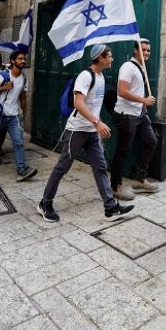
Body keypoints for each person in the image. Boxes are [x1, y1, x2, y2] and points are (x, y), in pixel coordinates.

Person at [37, 45, 134, 223]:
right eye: (109, 56)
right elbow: (78, 103)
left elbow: (94, 105)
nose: (112, 59)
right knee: (62, 167)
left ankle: (110, 208)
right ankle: (45, 203)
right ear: (101, 58)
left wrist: (98, 125)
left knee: (100, 167)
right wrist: (97, 123)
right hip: (77, 130)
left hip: (91, 132)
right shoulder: (85, 76)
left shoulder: (101, 77)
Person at [110, 38, 159, 201]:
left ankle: (139, 180)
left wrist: (143, 109)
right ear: (135, 51)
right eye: (143, 50)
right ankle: (115, 186)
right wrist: (144, 100)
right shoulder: (128, 67)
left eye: (148, 50)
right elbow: (122, 91)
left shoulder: (141, 68)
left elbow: (136, 89)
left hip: (139, 114)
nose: (146, 53)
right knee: (122, 151)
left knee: (151, 142)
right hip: (126, 115)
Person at [0, 50, 37, 181]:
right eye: (20, 59)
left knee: (18, 142)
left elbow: (22, 97)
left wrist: (24, 113)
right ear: (13, 61)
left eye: (24, 59)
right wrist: (4, 87)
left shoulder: (24, 78)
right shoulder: (4, 75)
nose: (23, 61)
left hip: (13, 116)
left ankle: (22, 169)